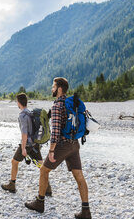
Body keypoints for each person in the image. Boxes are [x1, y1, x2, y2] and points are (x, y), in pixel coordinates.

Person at [25, 77, 91, 219]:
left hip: (62, 145)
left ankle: (39, 203)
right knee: (79, 175)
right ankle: (86, 211)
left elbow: (55, 132)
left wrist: (51, 150)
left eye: (53, 86)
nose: (51, 89)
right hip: (74, 144)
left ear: (59, 89)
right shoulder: (72, 104)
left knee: (43, 170)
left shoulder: (57, 106)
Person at [1, 93, 52, 196]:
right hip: (35, 143)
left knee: (14, 162)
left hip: (28, 144)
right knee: (41, 165)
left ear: (18, 103)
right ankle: (47, 188)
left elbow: (24, 133)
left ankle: (12, 185)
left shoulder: (23, 115)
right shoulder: (30, 112)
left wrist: (23, 148)